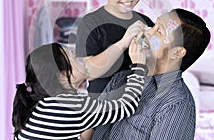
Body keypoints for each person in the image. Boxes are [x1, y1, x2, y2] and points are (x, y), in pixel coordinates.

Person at [92, 8, 211, 140]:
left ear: (177, 53)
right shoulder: (121, 79)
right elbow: (91, 129)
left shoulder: (176, 104)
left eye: (159, 31)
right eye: (154, 25)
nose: (147, 31)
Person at [12, 41, 148, 140]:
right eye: (76, 59)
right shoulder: (69, 106)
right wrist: (139, 66)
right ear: (62, 77)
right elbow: (126, 106)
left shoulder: (39, 101)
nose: (84, 60)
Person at [75, 0, 154, 98]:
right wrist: (123, 42)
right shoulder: (90, 23)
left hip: (139, 106)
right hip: (104, 110)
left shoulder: (145, 22)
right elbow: (89, 72)